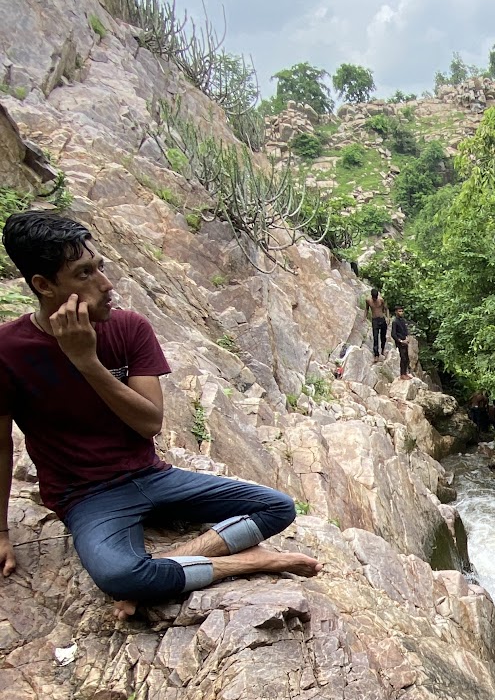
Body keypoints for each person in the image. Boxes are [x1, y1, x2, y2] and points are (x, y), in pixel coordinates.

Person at [0, 211, 318, 619]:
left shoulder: (129, 328)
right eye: (83, 275)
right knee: (119, 577)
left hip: (153, 476)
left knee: (278, 507)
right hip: (87, 497)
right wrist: (3, 531)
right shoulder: (9, 352)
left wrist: (87, 362)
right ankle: (251, 561)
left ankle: (169, 565)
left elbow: (149, 422)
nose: (105, 284)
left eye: (100, 266)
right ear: (43, 286)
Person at [367, 287, 388, 358]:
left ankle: (382, 349)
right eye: (374, 298)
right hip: (375, 320)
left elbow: (386, 308)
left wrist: (388, 318)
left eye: (376, 298)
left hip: (382, 319)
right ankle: (376, 354)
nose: (375, 299)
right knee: (375, 337)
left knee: (383, 336)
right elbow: (366, 309)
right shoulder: (368, 301)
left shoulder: (381, 300)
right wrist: (364, 317)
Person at [389, 307, 410, 375]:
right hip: (400, 342)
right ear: (396, 312)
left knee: (406, 358)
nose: (401, 313)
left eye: (402, 311)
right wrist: (400, 341)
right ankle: (402, 374)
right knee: (403, 358)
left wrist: (407, 338)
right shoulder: (395, 322)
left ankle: (405, 373)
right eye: (399, 311)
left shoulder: (403, 320)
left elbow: (405, 330)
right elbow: (393, 334)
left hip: (405, 340)